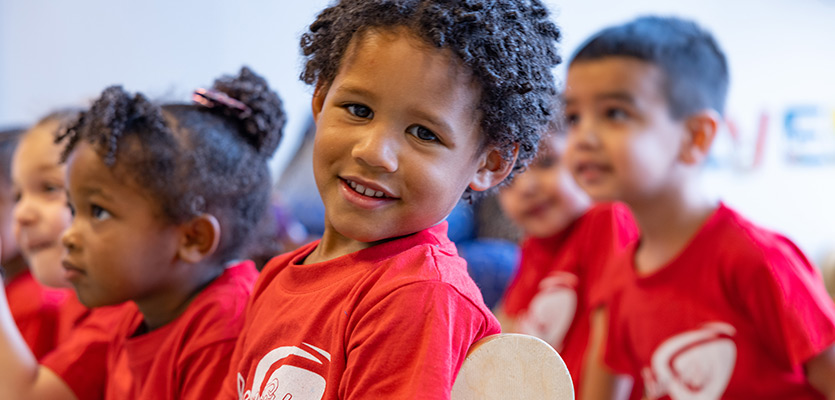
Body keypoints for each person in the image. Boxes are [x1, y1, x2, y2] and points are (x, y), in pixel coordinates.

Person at [225, 1, 562, 398]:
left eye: (423, 133)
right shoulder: (278, 274)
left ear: (490, 162)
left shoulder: (419, 296)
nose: (373, 151)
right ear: (319, 101)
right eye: (358, 109)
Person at [563, 16, 835, 399]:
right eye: (573, 117)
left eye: (615, 113)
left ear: (696, 137)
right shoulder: (619, 281)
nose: (582, 138)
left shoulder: (759, 259)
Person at [0, 66, 285, 399]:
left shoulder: (222, 330)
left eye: (98, 212)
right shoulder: (136, 311)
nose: (69, 236)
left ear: (193, 238)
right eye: (75, 211)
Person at [495, 131, 638, 398]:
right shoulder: (534, 245)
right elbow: (506, 331)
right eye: (509, 179)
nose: (526, 187)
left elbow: (613, 338)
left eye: (547, 163)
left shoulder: (606, 219)